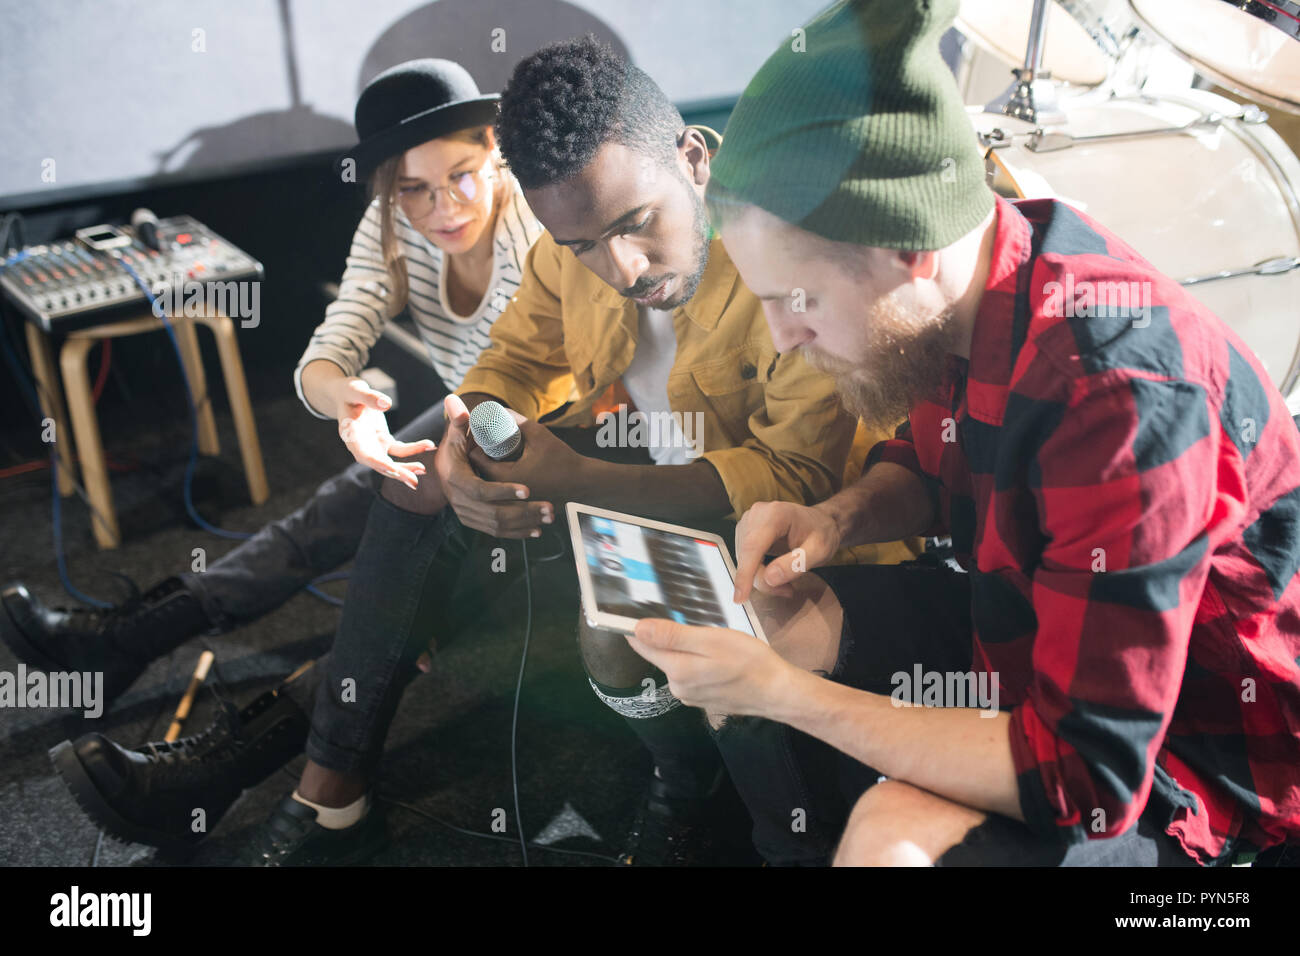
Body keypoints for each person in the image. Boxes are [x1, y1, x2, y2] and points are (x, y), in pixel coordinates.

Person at [630, 0, 1300, 867]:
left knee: (889, 840)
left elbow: (1084, 775)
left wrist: (791, 697)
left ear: (911, 251)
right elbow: (931, 455)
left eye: (798, 301)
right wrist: (841, 518)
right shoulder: (970, 289)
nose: (783, 334)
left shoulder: (1118, 393)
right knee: (776, 623)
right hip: (1033, 639)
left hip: (1198, 768)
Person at [222, 37, 916, 866]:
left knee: (611, 635)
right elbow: (512, 362)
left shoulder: (784, 249)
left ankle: (688, 790)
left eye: (637, 225)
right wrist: (466, 441)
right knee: (416, 483)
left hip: (793, 530)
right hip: (653, 467)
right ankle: (333, 782)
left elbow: (793, 477)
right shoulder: (570, 243)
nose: (620, 266)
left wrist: (578, 476)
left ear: (693, 159)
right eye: (584, 244)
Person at [24, 59, 543, 850]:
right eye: (414, 189)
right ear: (388, 190)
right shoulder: (396, 222)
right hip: (461, 426)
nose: (443, 208)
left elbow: (560, 397)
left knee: (389, 600)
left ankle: (219, 764)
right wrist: (348, 406)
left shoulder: (536, 232)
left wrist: (450, 463)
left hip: (545, 453)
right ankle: (121, 645)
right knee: (333, 509)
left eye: (463, 176)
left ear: (495, 148)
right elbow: (332, 346)